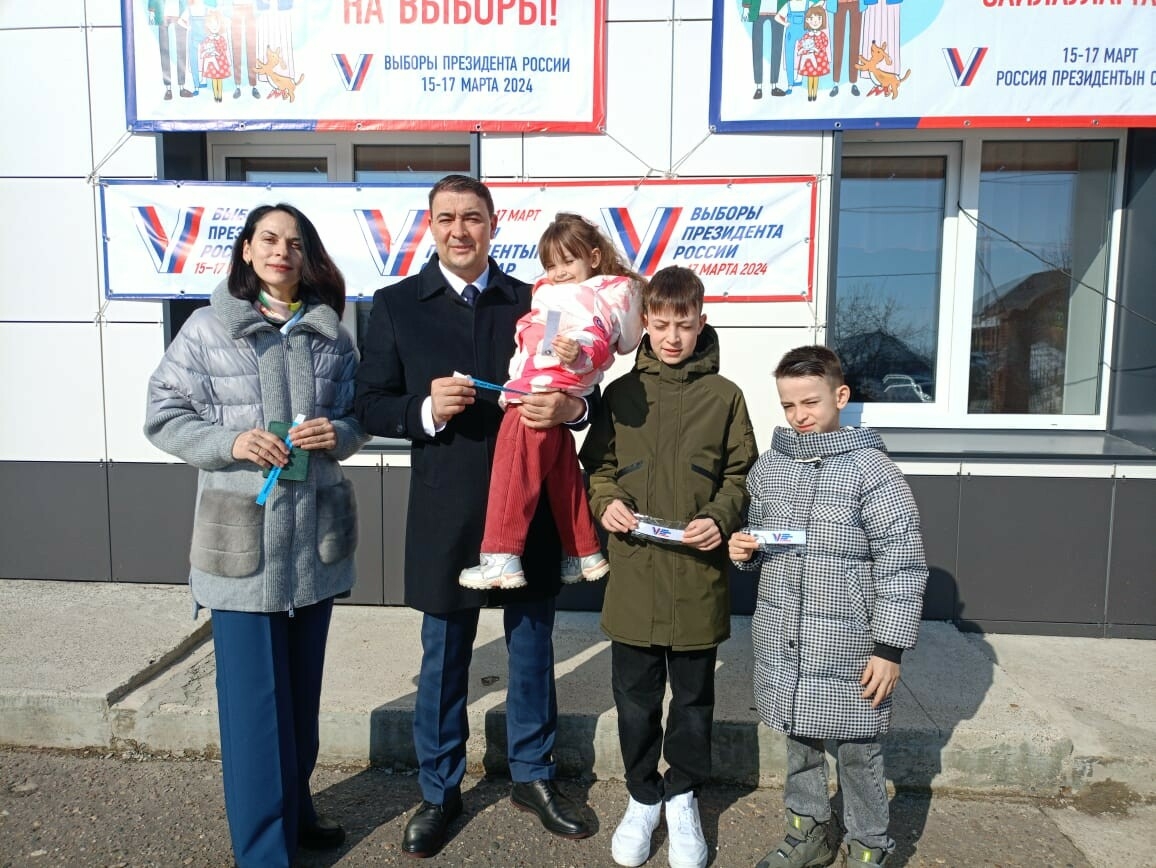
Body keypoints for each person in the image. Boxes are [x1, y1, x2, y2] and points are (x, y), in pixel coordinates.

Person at [353, 175, 595, 858]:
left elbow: (584, 386)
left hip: (529, 504)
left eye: (473, 218)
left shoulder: (535, 299)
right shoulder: (397, 305)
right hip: (448, 507)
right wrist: (424, 409)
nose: (460, 230)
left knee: (532, 646)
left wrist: (571, 408)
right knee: (444, 655)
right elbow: (368, 404)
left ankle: (532, 775)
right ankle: (439, 790)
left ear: (493, 224)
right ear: (430, 226)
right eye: (446, 218)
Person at [144, 203, 369, 868]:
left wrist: (338, 434)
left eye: (295, 243)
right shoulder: (208, 329)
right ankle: (264, 852)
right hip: (242, 548)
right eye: (268, 239)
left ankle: (296, 813)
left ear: (308, 256)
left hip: (312, 546)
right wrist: (231, 442)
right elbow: (162, 414)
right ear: (245, 250)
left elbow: (358, 417)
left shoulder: (332, 336)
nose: (281, 252)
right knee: (254, 716)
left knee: (299, 705)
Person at [579, 266, 758, 868]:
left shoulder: (726, 397)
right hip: (635, 575)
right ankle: (642, 795)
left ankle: (682, 795)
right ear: (645, 325)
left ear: (702, 321)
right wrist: (606, 503)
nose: (673, 337)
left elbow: (741, 475)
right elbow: (597, 468)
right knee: (634, 698)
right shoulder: (620, 395)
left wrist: (722, 516)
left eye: (684, 324)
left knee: (692, 700)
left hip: (698, 580)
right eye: (660, 325)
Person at [728, 345, 927, 868]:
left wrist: (889, 648)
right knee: (800, 744)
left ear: (840, 396)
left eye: (810, 402)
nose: (800, 415)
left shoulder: (873, 472)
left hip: (851, 645)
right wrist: (746, 550)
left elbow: (903, 564)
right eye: (788, 405)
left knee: (859, 753)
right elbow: (763, 539)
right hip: (785, 641)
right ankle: (808, 832)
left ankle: (869, 845)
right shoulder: (769, 469)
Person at [459, 212, 644, 590]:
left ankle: (500, 555)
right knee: (564, 478)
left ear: (594, 257)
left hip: (537, 392)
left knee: (512, 474)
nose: (558, 272)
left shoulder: (594, 297)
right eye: (550, 265)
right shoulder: (570, 294)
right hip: (549, 388)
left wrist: (578, 354)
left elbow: (594, 337)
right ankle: (584, 552)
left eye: (568, 261)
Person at [796, 4, 830, 102]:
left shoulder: (822, 35)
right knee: (810, 77)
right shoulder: (807, 35)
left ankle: (814, 94)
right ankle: (809, 94)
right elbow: (801, 44)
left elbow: (825, 44)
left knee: (816, 77)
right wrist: (803, 50)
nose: (815, 22)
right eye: (812, 19)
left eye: (818, 19)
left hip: (820, 59)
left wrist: (817, 49)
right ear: (807, 20)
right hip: (809, 60)